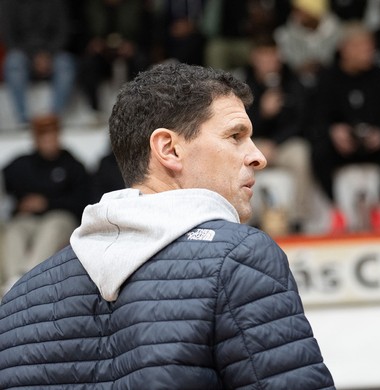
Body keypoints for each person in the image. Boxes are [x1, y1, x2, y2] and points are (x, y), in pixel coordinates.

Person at [0, 63, 335, 389]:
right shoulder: (240, 257)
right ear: (169, 149)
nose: (258, 156)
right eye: (236, 136)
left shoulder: (19, 300)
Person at [310, 22, 380, 234]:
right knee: (319, 152)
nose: (369, 52)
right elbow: (316, 120)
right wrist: (334, 131)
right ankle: (337, 210)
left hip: (373, 145)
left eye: (370, 47)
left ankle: (377, 205)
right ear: (346, 49)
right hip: (342, 147)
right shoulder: (327, 78)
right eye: (363, 47)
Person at [1, 114, 90, 292]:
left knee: (52, 228)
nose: (49, 140)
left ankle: (29, 280)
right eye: (44, 136)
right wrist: (20, 205)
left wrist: (47, 203)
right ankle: (12, 282)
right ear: (36, 139)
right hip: (27, 219)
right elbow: (6, 184)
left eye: (52, 135)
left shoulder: (72, 164)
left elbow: (83, 200)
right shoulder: (21, 164)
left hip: (61, 217)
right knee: (14, 232)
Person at [238, 35, 314, 234]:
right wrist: (262, 114)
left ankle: (298, 220)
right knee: (235, 158)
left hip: (282, 144)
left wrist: (275, 143)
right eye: (264, 57)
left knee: (301, 154)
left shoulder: (292, 80)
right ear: (254, 58)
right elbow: (236, 124)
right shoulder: (242, 83)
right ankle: (245, 219)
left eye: (273, 56)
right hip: (253, 143)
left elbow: (301, 122)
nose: (270, 62)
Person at [0, 0, 76, 126]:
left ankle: (53, 117)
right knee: (13, 62)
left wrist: (48, 55)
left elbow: (63, 32)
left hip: (52, 54)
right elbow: (8, 37)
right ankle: (23, 120)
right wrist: (33, 57)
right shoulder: (8, 3)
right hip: (23, 55)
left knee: (66, 63)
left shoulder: (56, 2)